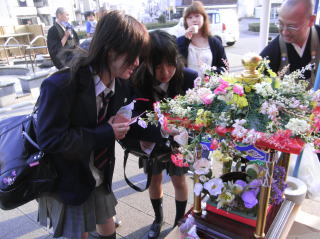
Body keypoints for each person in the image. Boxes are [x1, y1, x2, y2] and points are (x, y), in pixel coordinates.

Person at [36, 11, 149, 239]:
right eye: (132, 54)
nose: (137, 63)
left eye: (140, 55)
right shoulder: (62, 86)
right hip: (67, 179)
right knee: (80, 234)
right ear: (110, 49)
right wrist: (105, 132)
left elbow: (129, 118)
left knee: (107, 226)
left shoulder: (123, 84)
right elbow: (50, 141)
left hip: (99, 173)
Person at [130, 30, 198, 239]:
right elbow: (136, 116)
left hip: (181, 141)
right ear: (146, 62)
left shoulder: (189, 78)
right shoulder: (138, 81)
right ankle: (158, 219)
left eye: (170, 64)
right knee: (154, 180)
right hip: (152, 141)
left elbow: (196, 113)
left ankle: (179, 219)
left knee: (179, 181)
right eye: (157, 66)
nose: (165, 72)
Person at [260, 0, 320, 88]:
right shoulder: (273, 50)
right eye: (280, 24)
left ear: (311, 20)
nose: (284, 32)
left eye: (292, 26)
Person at [177, 1, 228, 76]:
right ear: (186, 21)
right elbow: (176, 65)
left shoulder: (215, 42)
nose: (194, 20)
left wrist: (208, 71)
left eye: (197, 16)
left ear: (204, 18)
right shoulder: (180, 41)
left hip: (209, 86)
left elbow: (224, 68)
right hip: (187, 86)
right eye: (189, 17)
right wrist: (185, 40)